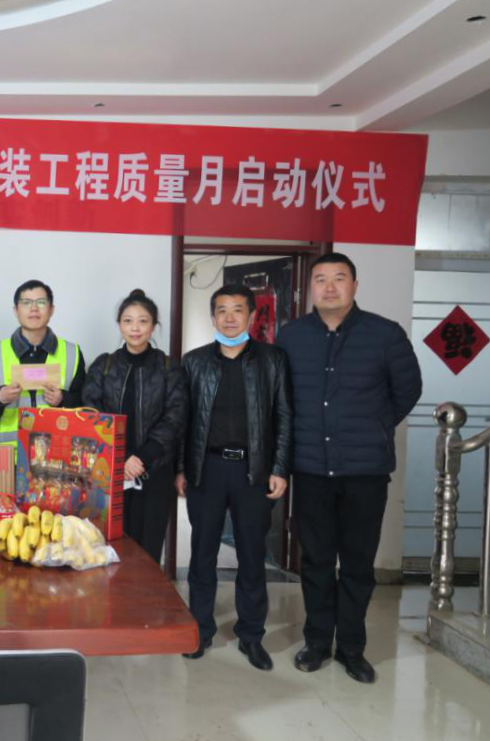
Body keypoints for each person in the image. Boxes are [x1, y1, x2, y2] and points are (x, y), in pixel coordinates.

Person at [278, 253, 422, 684]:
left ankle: (352, 648)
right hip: (310, 469)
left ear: (355, 286)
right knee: (316, 561)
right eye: (321, 279)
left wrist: (374, 426)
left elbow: (408, 389)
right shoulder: (291, 336)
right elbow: (281, 397)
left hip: (365, 471)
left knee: (358, 564)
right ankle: (317, 642)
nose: (329, 287)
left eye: (339, 278)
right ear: (310, 288)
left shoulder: (385, 334)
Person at [178, 283, 291, 671]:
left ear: (252, 316)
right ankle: (200, 630)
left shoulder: (272, 360)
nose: (229, 318)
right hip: (206, 469)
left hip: (253, 471)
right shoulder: (194, 362)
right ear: (213, 317)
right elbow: (183, 421)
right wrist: (181, 468)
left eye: (237, 310)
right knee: (202, 554)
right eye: (222, 310)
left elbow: (284, 417)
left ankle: (251, 636)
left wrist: (279, 468)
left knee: (252, 555)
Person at [82, 289, 186, 563]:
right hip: (109, 471)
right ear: (119, 325)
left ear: (153, 325)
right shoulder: (104, 366)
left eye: (143, 321)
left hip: (154, 471)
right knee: (108, 547)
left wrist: (141, 457)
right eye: (128, 321)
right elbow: (91, 413)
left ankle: (146, 593)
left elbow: (175, 417)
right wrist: (122, 458)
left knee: (148, 551)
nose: (135, 328)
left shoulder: (168, 368)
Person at [0, 280, 86, 443]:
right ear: (16, 310)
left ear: (51, 309)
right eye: (26, 302)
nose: (34, 308)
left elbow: (85, 407)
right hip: (9, 453)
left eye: (41, 302)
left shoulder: (72, 353)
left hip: (57, 453)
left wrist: (63, 400)